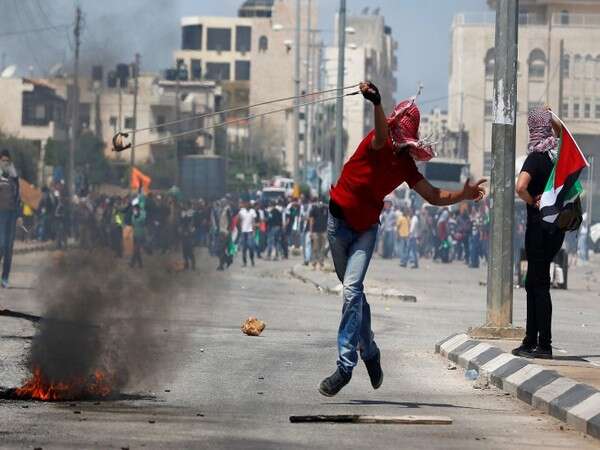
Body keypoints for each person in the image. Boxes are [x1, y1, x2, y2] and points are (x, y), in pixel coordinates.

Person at [319, 81, 486, 397]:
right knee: (355, 297)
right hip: (337, 224)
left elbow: (433, 195)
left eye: (402, 138)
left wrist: (462, 195)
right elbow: (382, 134)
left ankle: (344, 367)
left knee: (352, 291)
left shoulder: (406, 165)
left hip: (365, 230)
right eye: (395, 134)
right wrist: (376, 102)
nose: (397, 142)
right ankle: (370, 351)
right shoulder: (377, 141)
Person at [512, 107, 565, 360]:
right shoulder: (556, 156)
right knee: (533, 283)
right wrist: (552, 116)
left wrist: (532, 200)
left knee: (538, 285)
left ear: (533, 128)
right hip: (555, 229)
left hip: (538, 229)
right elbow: (563, 133)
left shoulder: (535, 157)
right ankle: (530, 340)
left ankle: (543, 344)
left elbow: (520, 187)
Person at [0, 149, 22, 288]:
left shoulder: (14, 178)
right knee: (1, 245)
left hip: (12, 215)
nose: (5, 163)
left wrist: (19, 215)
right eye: (3, 160)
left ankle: (5, 278)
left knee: (9, 248)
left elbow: (18, 198)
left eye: (7, 161)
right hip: (0, 215)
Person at [309, 196, 328, 269]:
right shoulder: (313, 209)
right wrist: (311, 232)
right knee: (315, 247)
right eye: (319, 201)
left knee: (323, 248)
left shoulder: (326, 209)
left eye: (321, 201)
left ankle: (321, 263)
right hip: (315, 231)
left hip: (324, 231)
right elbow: (311, 220)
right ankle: (314, 263)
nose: (320, 203)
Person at [238, 200, 257, 267]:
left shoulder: (252, 211)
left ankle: (252, 260)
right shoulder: (241, 211)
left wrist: (254, 231)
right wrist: (239, 229)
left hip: (250, 231)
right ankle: (244, 262)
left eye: (248, 203)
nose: (247, 205)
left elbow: (253, 222)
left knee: (251, 247)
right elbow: (239, 221)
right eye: (245, 203)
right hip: (243, 231)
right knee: (244, 248)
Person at [130, 199, 146, 269]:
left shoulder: (141, 216)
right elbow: (133, 224)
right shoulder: (133, 216)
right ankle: (140, 264)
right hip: (135, 234)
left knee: (136, 249)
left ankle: (132, 263)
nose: (134, 210)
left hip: (140, 234)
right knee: (136, 250)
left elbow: (142, 223)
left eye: (135, 209)